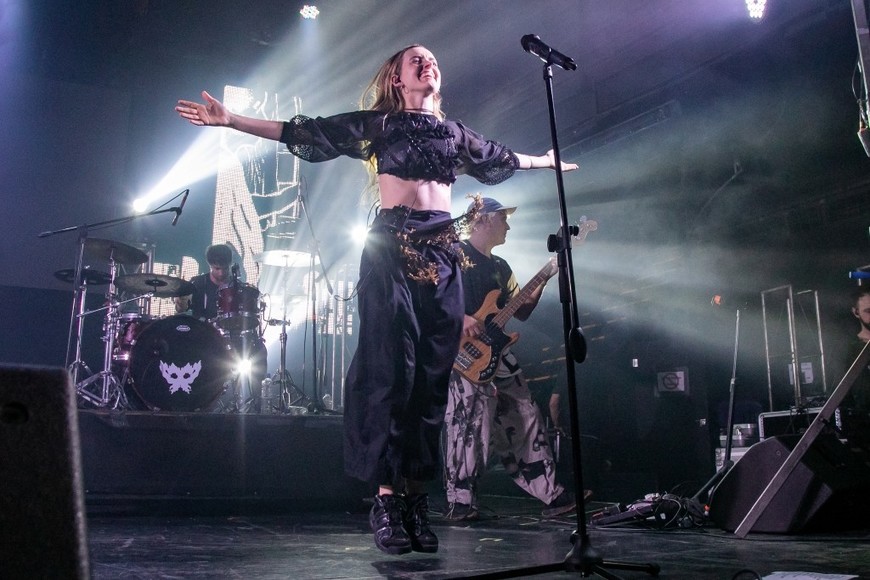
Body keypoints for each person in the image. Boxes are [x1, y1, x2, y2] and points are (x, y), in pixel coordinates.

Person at [176, 44, 578, 555]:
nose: (427, 62)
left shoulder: (455, 135)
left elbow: (501, 157)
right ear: (397, 76)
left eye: (433, 58)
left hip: (443, 257)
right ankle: (386, 499)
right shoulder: (382, 125)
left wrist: (546, 162)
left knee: (432, 384)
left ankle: (414, 499)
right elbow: (305, 132)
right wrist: (231, 119)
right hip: (391, 249)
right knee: (393, 372)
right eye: (416, 59)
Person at [443, 197, 581, 521]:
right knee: (469, 426)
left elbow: (522, 311)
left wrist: (546, 275)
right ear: (483, 220)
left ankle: (551, 494)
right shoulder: (454, 256)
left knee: (527, 416)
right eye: (503, 218)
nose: (508, 224)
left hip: (499, 356)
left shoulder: (501, 267)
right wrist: (460, 317)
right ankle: (461, 501)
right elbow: (428, 299)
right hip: (462, 355)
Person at [175, 243, 267, 412]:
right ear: (210, 266)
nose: (221, 273)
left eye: (225, 268)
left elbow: (246, 316)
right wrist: (180, 300)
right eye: (217, 269)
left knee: (259, 350)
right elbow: (181, 310)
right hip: (204, 336)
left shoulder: (237, 286)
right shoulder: (197, 283)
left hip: (231, 336)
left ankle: (253, 406)